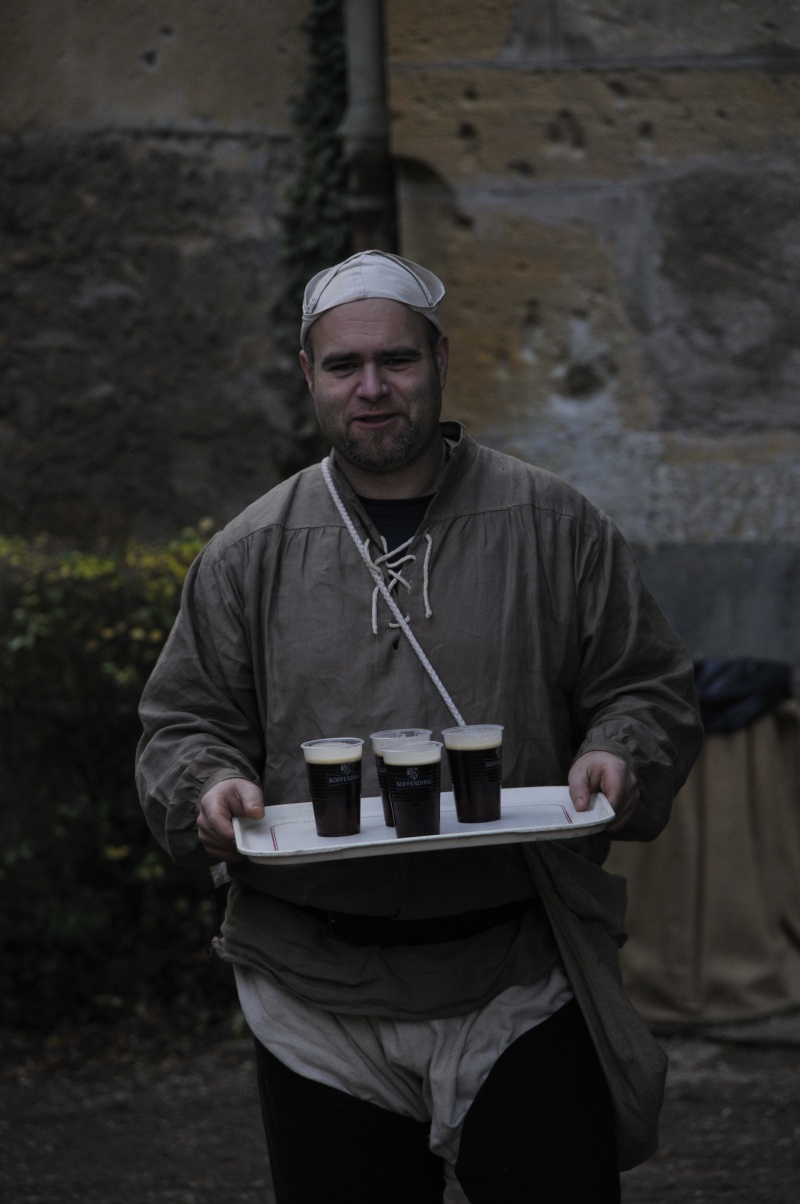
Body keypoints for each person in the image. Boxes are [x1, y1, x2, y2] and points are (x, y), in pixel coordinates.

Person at [136, 250, 703, 1203]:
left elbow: (646, 686)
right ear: (306, 373)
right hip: (314, 994)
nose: (372, 389)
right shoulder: (248, 553)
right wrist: (205, 787)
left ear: (440, 358)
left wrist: (618, 750)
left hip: (520, 976)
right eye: (343, 366)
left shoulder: (554, 525)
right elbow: (183, 722)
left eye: (395, 360)